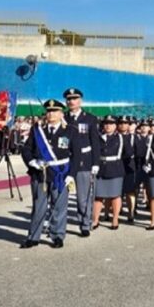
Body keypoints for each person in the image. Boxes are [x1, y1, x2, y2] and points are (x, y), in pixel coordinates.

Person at [20, 99, 80, 249]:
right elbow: (26, 149)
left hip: (61, 173)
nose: (51, 114)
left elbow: (77, 155)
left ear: (61, 113)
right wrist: (32, 162)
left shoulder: (70, 131)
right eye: (48, 111)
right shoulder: (37, 130)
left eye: (54, 111)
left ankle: (57, 235)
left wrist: (71, 174)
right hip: (41, 173)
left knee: (59, 206)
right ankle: (33, 237)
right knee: (38, 206)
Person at [63, 88, 101, 237]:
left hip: (84, 163)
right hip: (67, 162)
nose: (71, 101)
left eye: (75, 98)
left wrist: (95, 163)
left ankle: (85, 224)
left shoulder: (89, 119)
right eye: (69, 99)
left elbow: (95, 142)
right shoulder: (63, 118)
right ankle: (58, 224)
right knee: (61, 196)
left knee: (83, 197)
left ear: (80, 100)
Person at [93, 115, 133, 230]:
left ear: (115, 126)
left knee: (115, 195)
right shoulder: (98, 137)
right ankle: (95, 219)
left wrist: (117, 159)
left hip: (115, 169)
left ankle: (115, 219)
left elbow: (129, 152)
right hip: (101, 169)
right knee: (98, 196)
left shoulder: (121, 138)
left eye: (110, 123)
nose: (107, 126)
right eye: (105, 123)